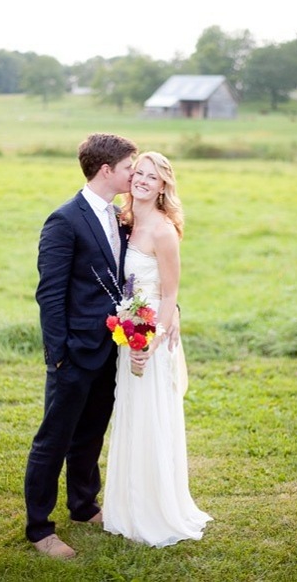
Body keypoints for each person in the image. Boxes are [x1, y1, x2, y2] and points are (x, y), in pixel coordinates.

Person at [24, 133, 138, 559]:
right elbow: (49, 294)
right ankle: (39, 529)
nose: (134, 173)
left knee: (91, 433)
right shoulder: (64, 220)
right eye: (130, 167)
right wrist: (57, 355)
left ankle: (84, 505)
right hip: (72, 352)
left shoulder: (118, 215)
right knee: (54, 439)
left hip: (111, 347)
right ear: (107, 170)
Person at [103, 151, 212, 547]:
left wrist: (153, 338)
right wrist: (131, 335)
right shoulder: (124, 220)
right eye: (138, 174)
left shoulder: (164, 231)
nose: (142, 181)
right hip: (127, 335)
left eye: (151, 176)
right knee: (131, 417)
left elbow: (170, 294)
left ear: (164, 185)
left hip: (151, 339)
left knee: (152, 419)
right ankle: (127, 507)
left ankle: (155, 509)